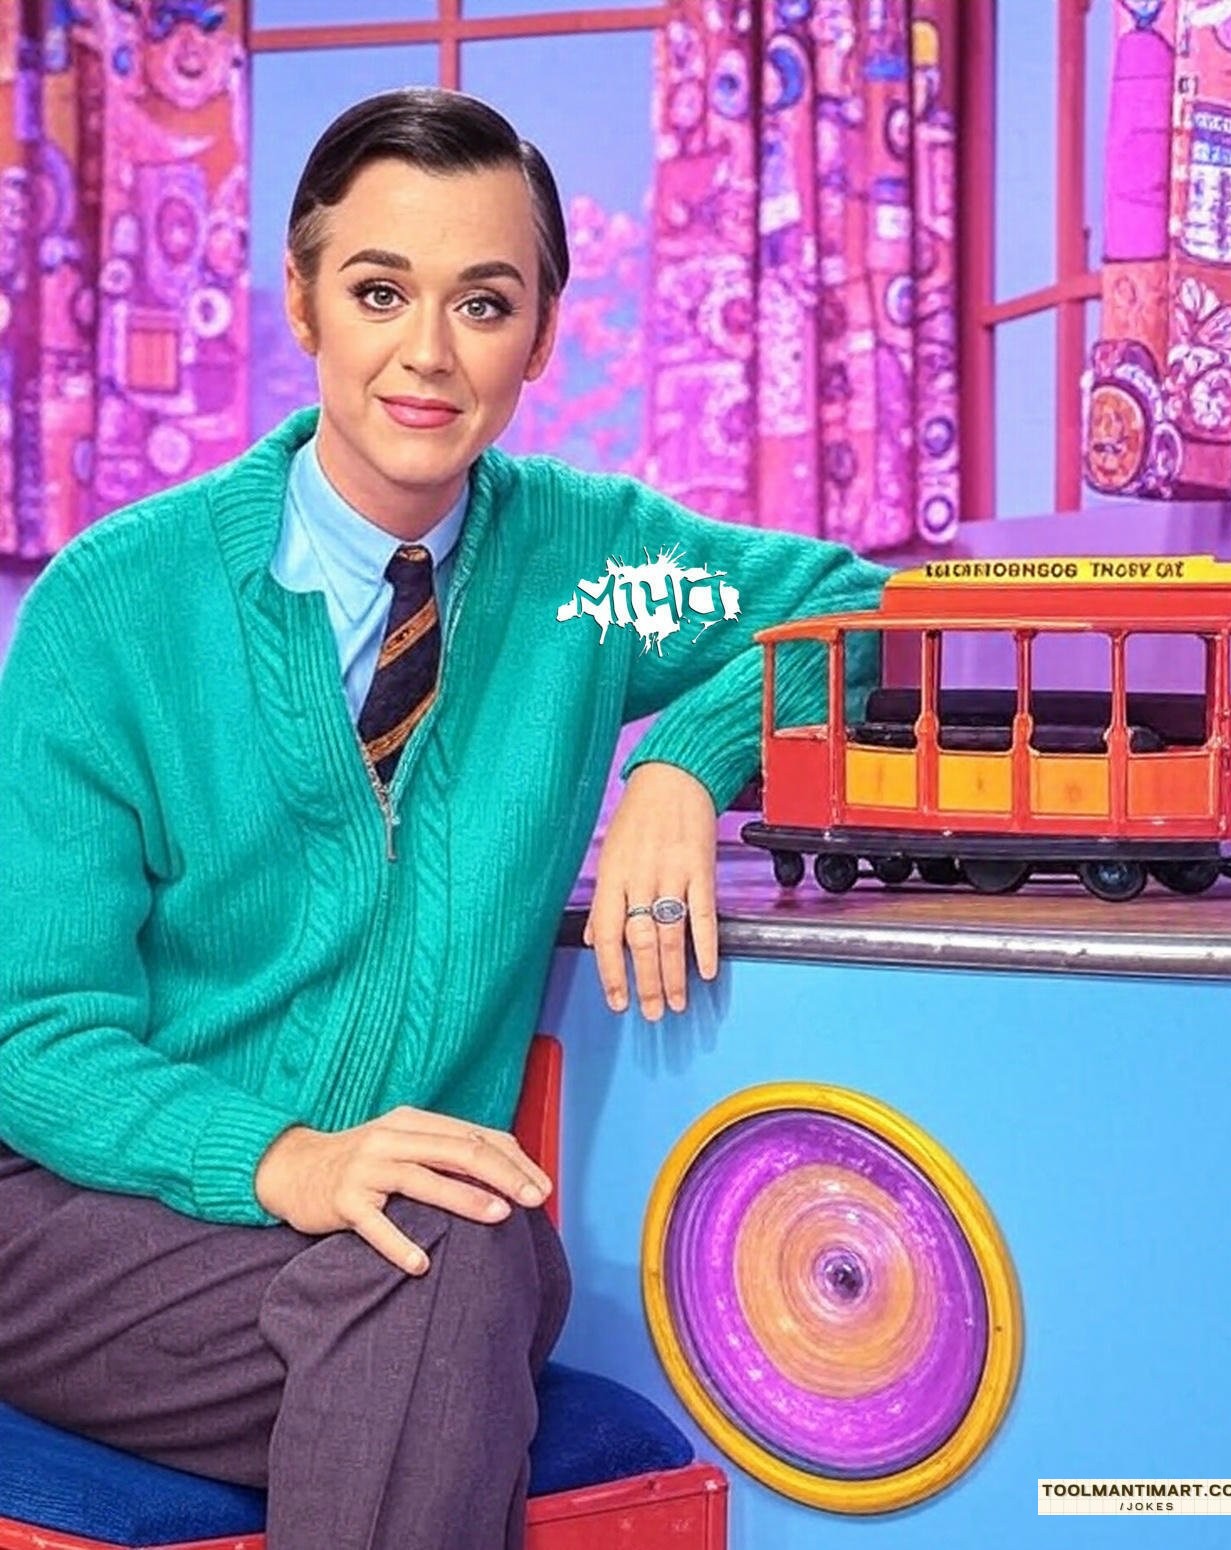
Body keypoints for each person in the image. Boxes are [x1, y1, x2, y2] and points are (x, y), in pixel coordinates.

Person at [0, 87, 888, 1549]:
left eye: (482, 302)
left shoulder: (593, 573)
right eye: (378, 292)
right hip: (90, 1228)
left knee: (455, 1258)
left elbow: (861, 611)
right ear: (303, 301)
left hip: (404, 1240)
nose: (427, 350)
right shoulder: (113, 606)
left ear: (538, 337)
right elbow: (35, 1037)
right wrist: (292, 1161)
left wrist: (685, 761)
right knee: (453, 1288)